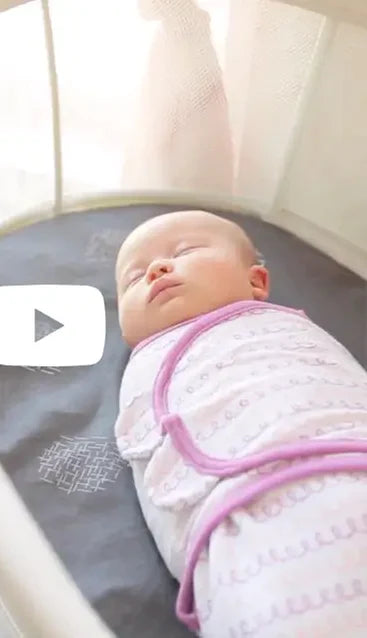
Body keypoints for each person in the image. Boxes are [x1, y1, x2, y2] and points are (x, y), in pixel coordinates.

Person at [114, 209, 367, 637]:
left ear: (257, 282)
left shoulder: (285, 328)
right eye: (134, 278)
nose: (156, 269)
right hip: (247, 514)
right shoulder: (144, 366)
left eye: (185, 251)